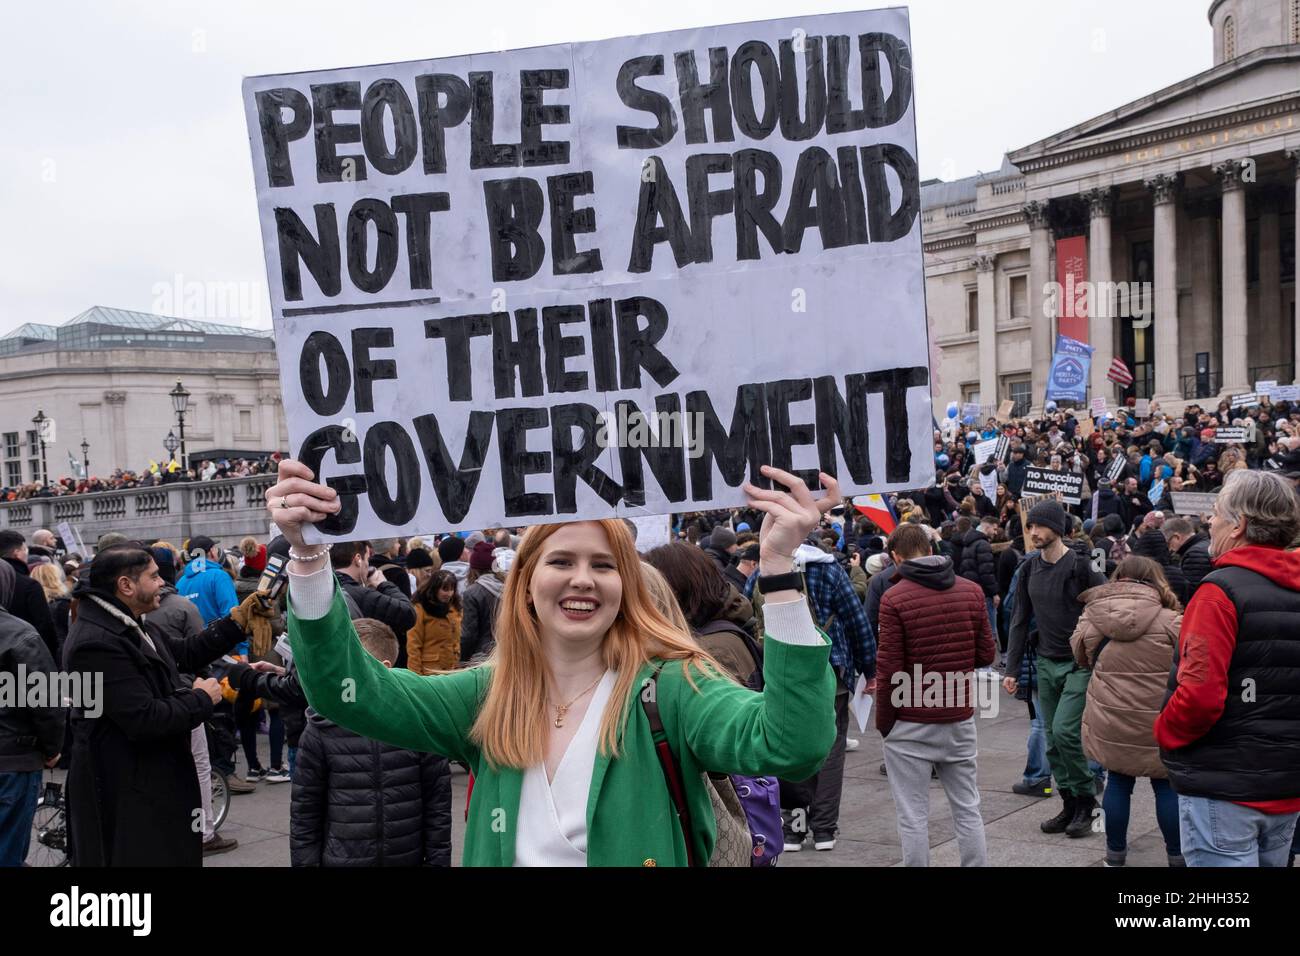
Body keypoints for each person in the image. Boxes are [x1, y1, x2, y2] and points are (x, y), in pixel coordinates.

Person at [268, 459, 838, 866]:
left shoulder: (672, 688)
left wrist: (781, 569)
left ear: (628, 585)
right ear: (527, 585)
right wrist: (309, 555)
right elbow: (347, 691)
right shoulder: (488, 695)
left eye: (604, 564)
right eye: (561, 560)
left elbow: (792, 743)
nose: (582, 578)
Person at [61, 546, 258, 866]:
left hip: (147, 782)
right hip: (125, 791)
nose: (163, 584)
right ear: (126, 585)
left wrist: (236, 623)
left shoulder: (130, 621)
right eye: (154, 577)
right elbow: (144, 719)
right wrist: (201, 699)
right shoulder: (95, 642)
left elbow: (185, 653)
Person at [1154, 470, 1300, 867]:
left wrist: (1165, 731)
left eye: (1216, 513)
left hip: (1224, 786)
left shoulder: (1219, 592)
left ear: (1240, 525)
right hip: (1286, 783)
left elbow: (1199, 697)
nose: (1208, 521)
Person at [876, 524, 994, 867]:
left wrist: (885, 723)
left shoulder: (894, 597)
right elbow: (986, 654)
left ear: (896, 557)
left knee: (912, 814)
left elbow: (889, 671)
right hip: (957, 713)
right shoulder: (971, 591)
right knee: (968, 807)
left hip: (910, 718)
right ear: (929, 549)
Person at [291, 618, 452, 866]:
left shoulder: (420, 724)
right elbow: (305, 815)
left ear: (384, 667)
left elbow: (437, 808)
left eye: (351, 665)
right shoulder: (321, 730)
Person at [1070, 556, 1183, 867]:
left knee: (1118, 783)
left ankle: (1115, 857)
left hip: (1111, 717)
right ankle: (1177, 857)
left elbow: (1079, 656)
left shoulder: (1093, 617)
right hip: (1160, 719)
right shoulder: (1172, 620)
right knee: (1166, 785)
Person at [1004, 500, 1107, 837]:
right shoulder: (1029, 568)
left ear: (1057, 529)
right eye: (1030, 526)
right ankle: (1069, 803)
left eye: (1040, 526)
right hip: (1045, 662)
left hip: (1079, 663)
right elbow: (1018, 619)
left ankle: (1087, 802)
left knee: (1064, 731)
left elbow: (1105, 604)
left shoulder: (1081, 565)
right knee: (1051, 738)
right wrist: (1012, 668)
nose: (1033, 532)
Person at [0, 561, 65, 866]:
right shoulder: (19, 634)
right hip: (13, 759)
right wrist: (52, 748)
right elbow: (46, 702)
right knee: (8, 850)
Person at [329, 541, 416, 643]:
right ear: (358, 560)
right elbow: (408, 614)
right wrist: (384, 584)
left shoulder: (327, 588)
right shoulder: (362, 595)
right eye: (367, 559)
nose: (368, 564)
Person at [0, 530, 58, 659]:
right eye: (25, 549)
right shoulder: (29, 585)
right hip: (27, 657)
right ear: (17, 553)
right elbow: (45, 626)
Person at [407, 570, 462, 675]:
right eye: (445, 589)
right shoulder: (420, 609)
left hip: (453, 671)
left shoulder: (455, 608)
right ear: (435, 589)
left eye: (452, 589)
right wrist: (415, 677)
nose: (449, 593)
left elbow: (457, 641)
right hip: (429, 673)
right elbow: (413, 646)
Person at [176, 536, 239, 626]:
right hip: (221, 638)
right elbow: (232, 614)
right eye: (215, 548)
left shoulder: (180, 583)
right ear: (212, 552)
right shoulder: (219, 576)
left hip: (194, 638)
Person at [460, 549, 509, 665]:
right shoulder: (508, 588)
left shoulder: (471, 593)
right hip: (507, 652)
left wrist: (463, 660)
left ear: (474, 569)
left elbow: (469, 634)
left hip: (481, 657)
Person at [1162, 517, 1212, 599]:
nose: (1169, 549)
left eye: (1168, 543)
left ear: (1176, 537)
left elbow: (1192, 594)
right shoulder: (1204, 544)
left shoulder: (1194, 554)